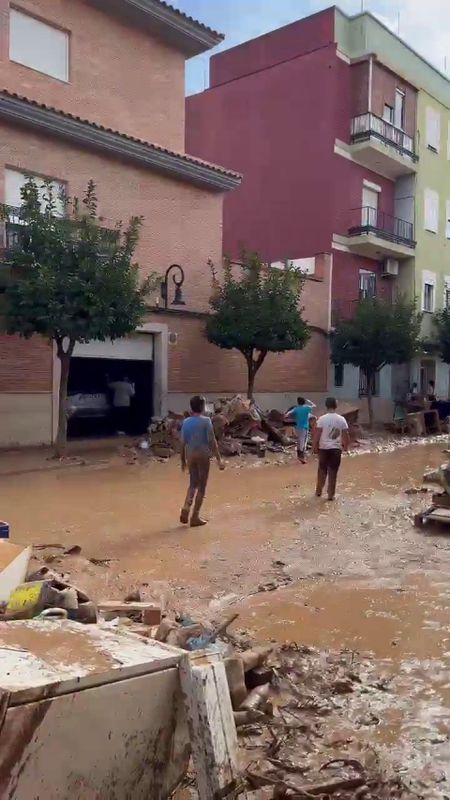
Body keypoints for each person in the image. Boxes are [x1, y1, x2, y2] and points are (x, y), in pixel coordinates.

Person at [180, 395, 224, 527]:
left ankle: (186, 506)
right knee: (202, 487)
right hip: (203, 455)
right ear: (202, 407)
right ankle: (195, 517)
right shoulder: (206, 421)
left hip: (190, 455)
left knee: (192, 483)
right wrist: (218, 458)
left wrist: (182, 460)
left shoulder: (186, 422)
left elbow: (182, 442)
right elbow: (212, 441)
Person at [312, 397, 350, 502]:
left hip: (323, 448)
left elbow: (317, 434)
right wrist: (346, 446)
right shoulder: (341, 419)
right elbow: (346, 435)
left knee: (322, 470)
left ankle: (318, 491)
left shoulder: (322, 419)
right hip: (336, 449)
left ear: (326, 405)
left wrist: (314, 446)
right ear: (335, 405)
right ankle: (330, 495)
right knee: (333, 472)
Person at [285, 397, 313, 463]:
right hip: (305, 427)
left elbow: (288, 413)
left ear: (298, 402)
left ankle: (298, 455)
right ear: (304, 402)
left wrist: (287, 416)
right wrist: (309, 401)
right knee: (303, 441)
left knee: (299, 440)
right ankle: (302, 457)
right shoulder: (307, 408)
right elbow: (314, 405)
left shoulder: (296, 409)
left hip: (298, 427)